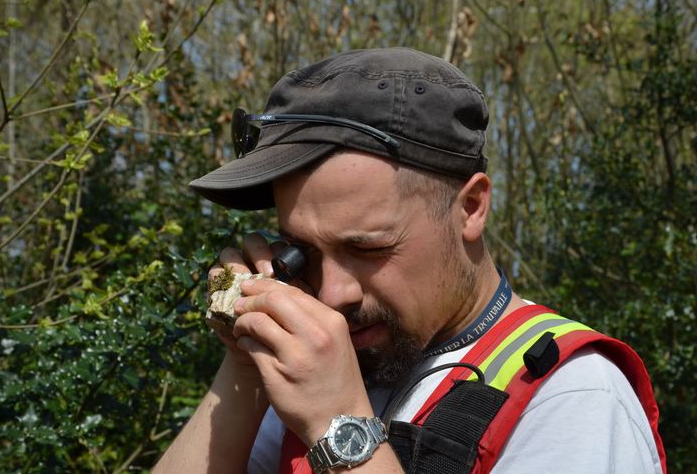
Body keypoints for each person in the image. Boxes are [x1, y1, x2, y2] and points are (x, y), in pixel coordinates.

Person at [154, 47, 666, 474]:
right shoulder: (323, 366)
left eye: (368, 248)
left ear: (470, 208)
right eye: (302, 252)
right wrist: (244, 358)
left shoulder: (574, 401)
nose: (333, 295)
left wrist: (340, 424)